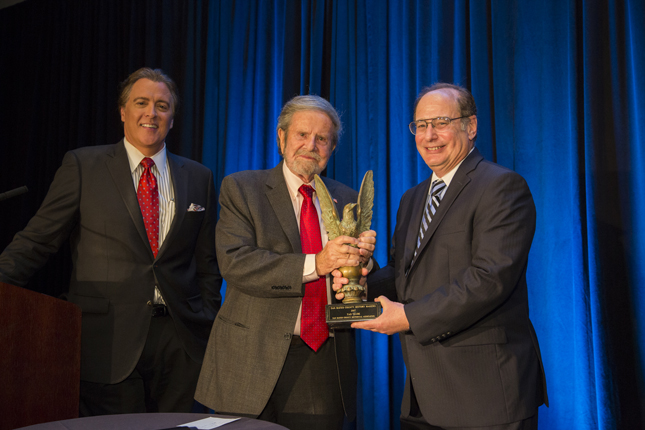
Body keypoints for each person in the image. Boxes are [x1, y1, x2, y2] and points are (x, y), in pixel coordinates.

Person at [0, 67, 222, 416]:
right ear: (123, 112)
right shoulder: (83, 165)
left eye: (162, 105)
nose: (152, 112)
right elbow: (37, 241)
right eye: (141, 102)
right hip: (106, 341)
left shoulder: (199, 176)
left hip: (181, 342)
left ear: (173, 118)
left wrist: (206, 314)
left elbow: (207, 261)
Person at [334, 83, 548, 430]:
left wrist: (408, 317)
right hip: (423, 395)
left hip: (485, 394)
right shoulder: (412, 198)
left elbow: (489, 279)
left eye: (441, 122)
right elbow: (405, 276)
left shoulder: (501, 187)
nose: (429, 135)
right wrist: (361, 275)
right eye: (420, 125)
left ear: (471, 126)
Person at [195, 95, 376, 430]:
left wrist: (365, 266)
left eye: (322, 139)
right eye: (301, 135)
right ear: (281, 138)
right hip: (247, 359)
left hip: (321, 363)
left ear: (332, 148)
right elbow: (237, 263)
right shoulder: (242, 188)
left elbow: (358, 277)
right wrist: (317, 263)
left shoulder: (348, 198)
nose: (311, 145)